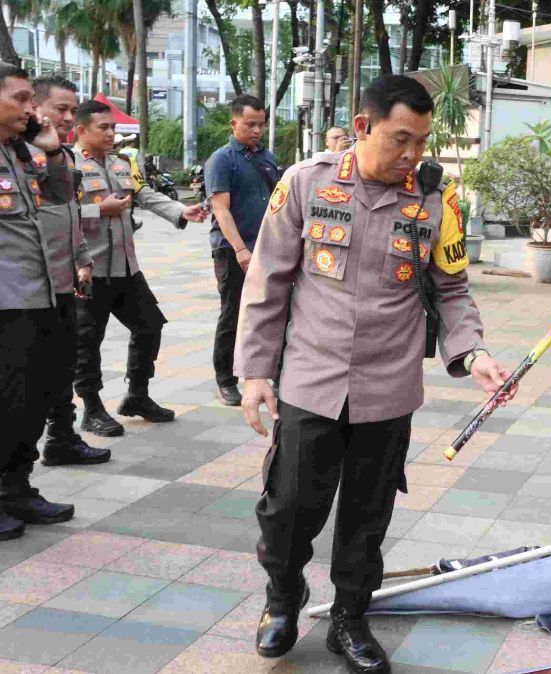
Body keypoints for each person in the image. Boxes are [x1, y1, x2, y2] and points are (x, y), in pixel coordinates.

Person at [236, 74, 513, 673]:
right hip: (312, 380)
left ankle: (350, 619)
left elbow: (453, 289)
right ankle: (282, 600)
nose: (413, 155)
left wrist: (474, 353)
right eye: (400, 140)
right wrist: (255, 371)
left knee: (367, 516)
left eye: (422, 142)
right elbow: (267, 281)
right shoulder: (305, 183)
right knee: (287, 510)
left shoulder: (435, 200)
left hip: (389, 389)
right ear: (362, 127)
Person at [72, 99, 208, 437]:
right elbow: (57, 216)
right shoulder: (68, 166)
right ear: (81, 131)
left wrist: (180, 210)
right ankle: (91, 407)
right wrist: (96, 211)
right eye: (102, 128)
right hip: (89, 270)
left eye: (112, 127)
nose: (110, 133)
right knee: (88, 341)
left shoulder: (121, 162)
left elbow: (144, 194)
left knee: (149, 325)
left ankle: (137, 395)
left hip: (126, 268)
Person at [0, 63, 82, 539]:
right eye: (21, 99)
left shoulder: (20, 152)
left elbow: (59, 197)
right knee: (5, 400)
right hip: (6, 303)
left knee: (33, 397)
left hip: (39, 294)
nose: (31, 109)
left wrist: (51, 152)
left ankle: (18, 487)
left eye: (32, 99)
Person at [26, 75, 109, 467]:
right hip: (29, 286)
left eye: (72, 111)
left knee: (62, 363)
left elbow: (70, 214)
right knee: (27, 378)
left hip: (63, 279)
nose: (68, 117)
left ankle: (61, 438)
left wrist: (81, 259)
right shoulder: (20, 155)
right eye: (60, 109)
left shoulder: (64, 157)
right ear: (34, 107)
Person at [204, 95, 280, 406]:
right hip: (233, 249)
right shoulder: (222, 160)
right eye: (250, 124)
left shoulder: (266, 157)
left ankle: (265, 371)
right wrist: (239, 249)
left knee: (269, 310)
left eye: (261, 124)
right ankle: (225, 380)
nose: (257, 130)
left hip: (266, 247)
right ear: (234, 123)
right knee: (233, 313)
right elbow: (221, 210)